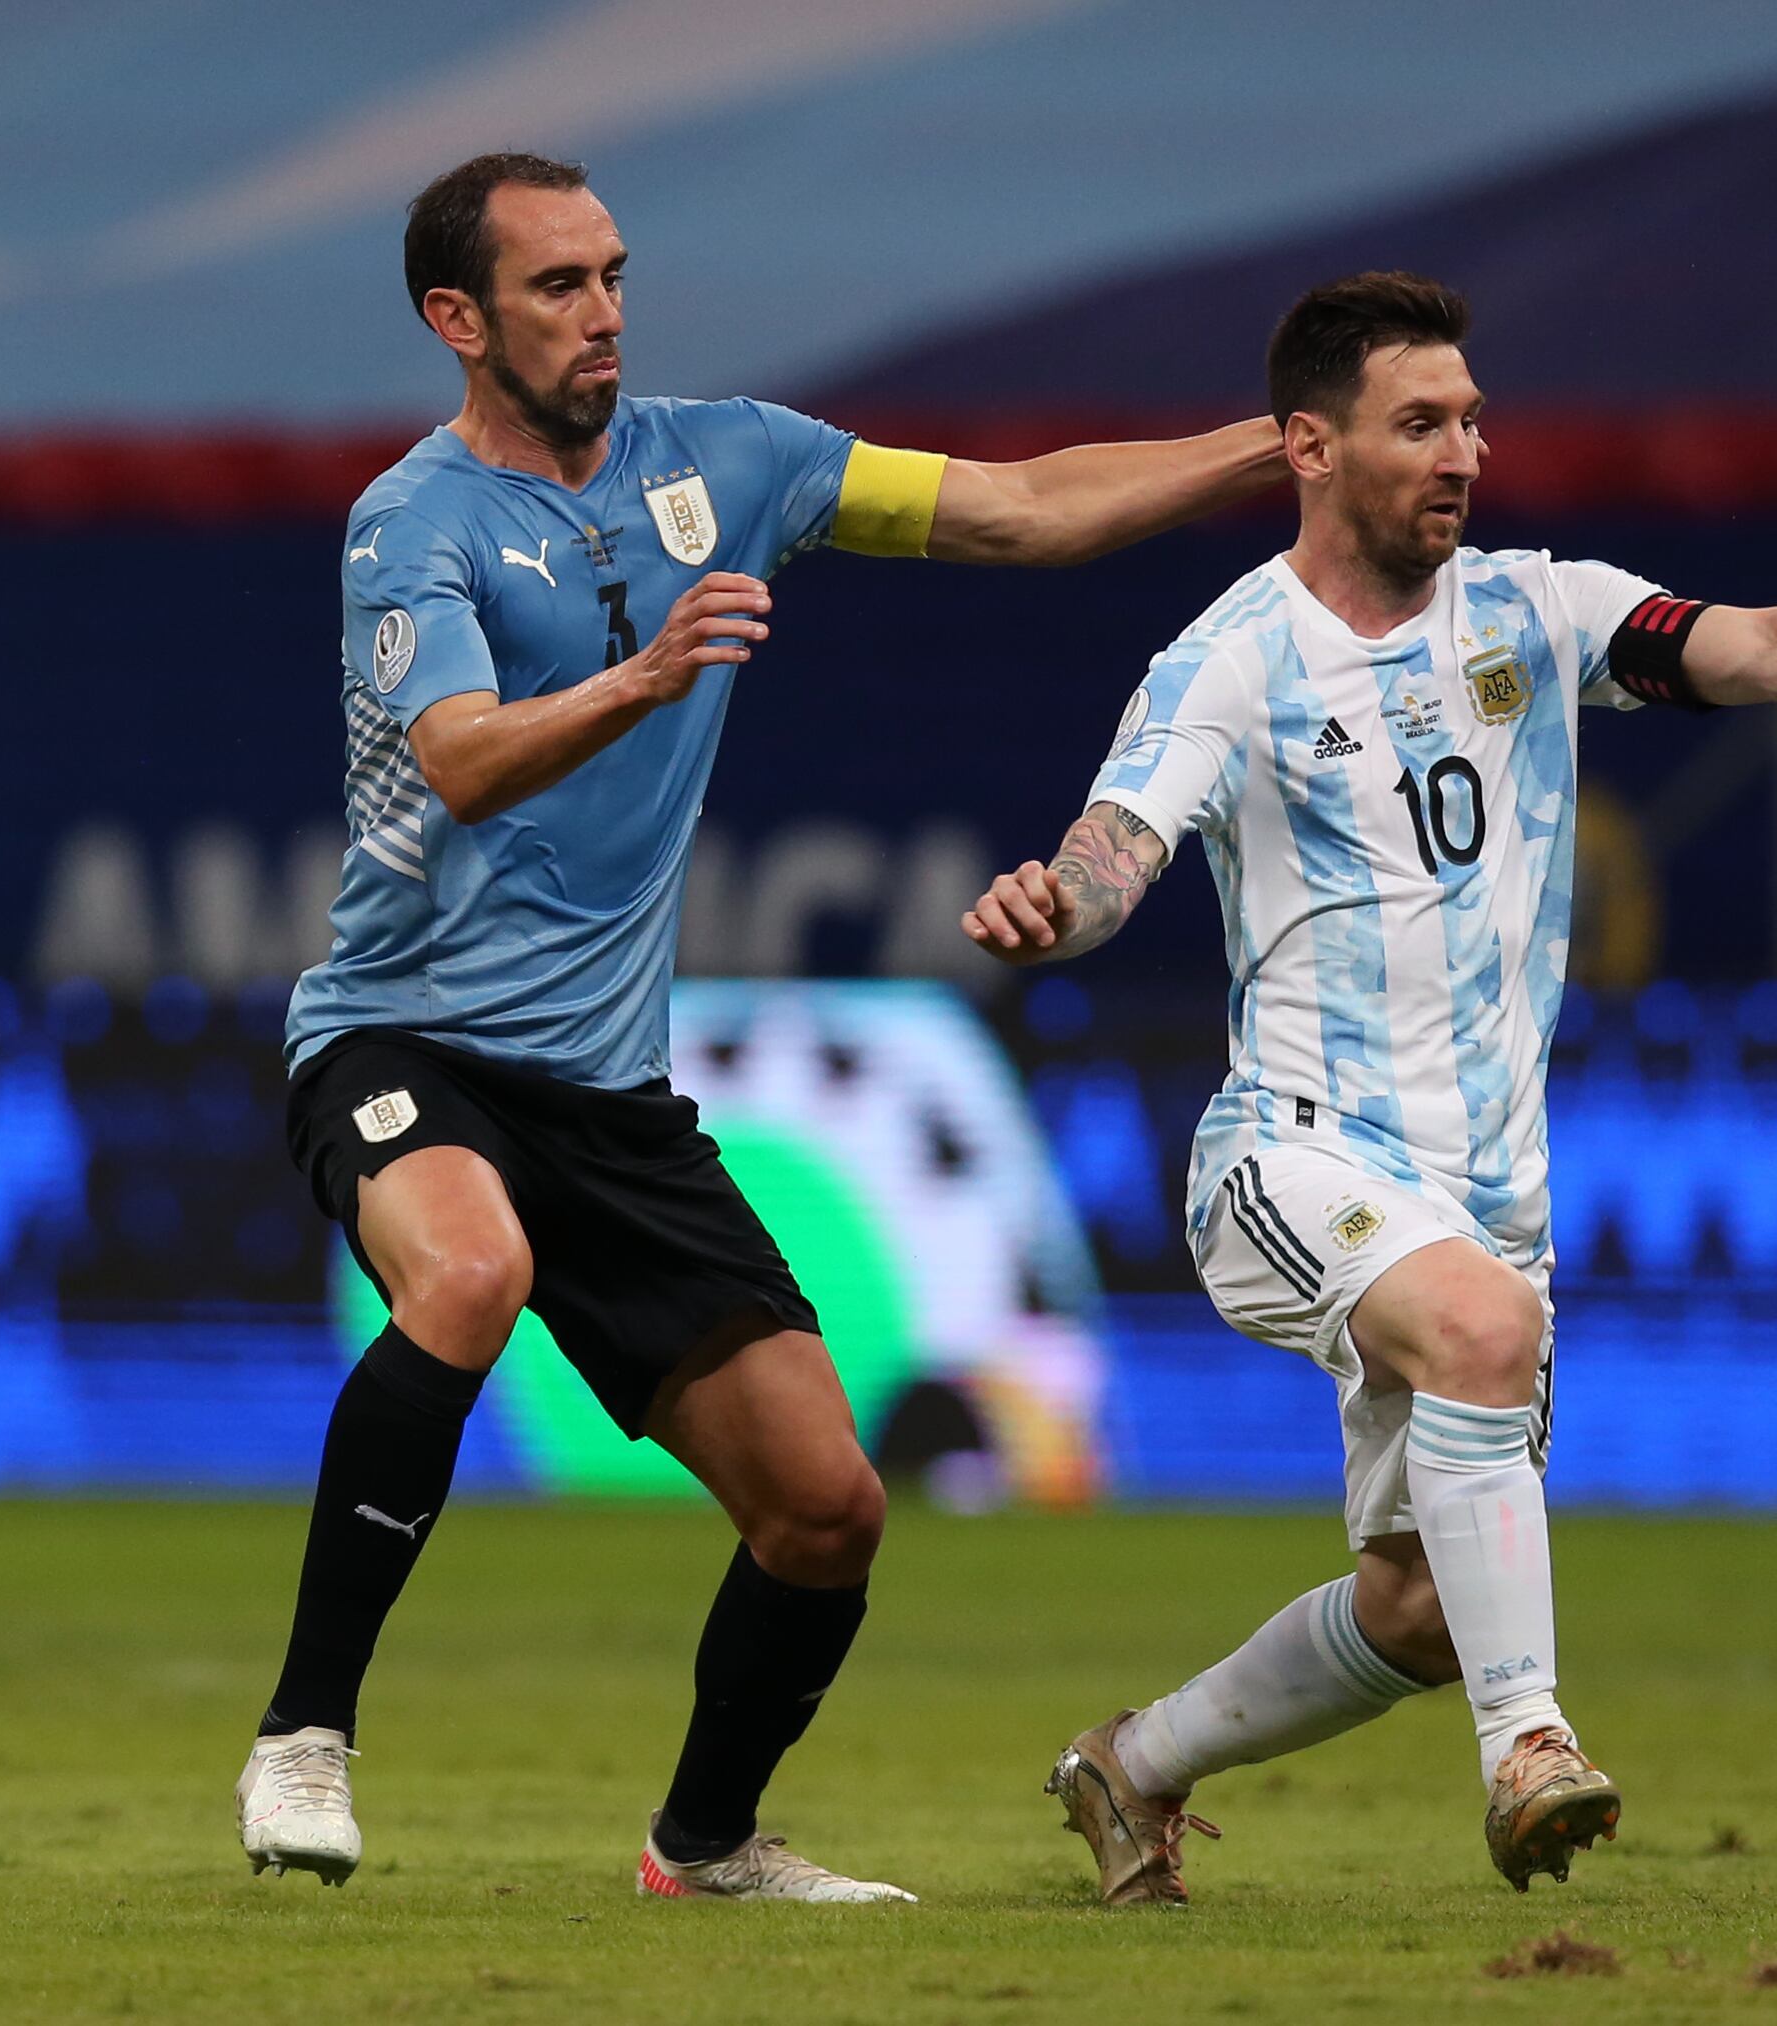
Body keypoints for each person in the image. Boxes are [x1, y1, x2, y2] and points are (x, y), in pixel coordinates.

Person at [237, 151, 1284, 1903]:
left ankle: (703, 1847)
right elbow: (459, 759)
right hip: (400, 1037)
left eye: (613, 274)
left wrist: (1265, 451)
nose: (605, 313)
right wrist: (643, 678)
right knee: (469, 1273)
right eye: (558, 285)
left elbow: (1027, 507)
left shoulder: (736, 459)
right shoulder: (409, 523)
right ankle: (305, 1735)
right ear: (458, 320)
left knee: (828, 1506)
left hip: (607, 1096)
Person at [962, 271, 1777, 1900]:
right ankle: (1529, 1746)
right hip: (1290, 1156)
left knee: (1415, 1604)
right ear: (1310, 447)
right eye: (1421, 422)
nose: (1464, 451)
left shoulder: (1540, 613)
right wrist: (1062, 904)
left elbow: (1756, 647)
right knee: (1486, 1334)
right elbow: (1121, 843)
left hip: (1494, 1190)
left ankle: (1133, 1767)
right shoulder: (1230, 660)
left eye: (1474, 418)